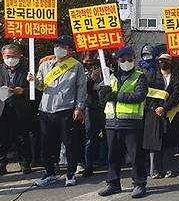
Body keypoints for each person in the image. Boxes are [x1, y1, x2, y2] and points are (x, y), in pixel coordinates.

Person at [29, 35, 86, 188]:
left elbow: (81, 88)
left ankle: (70, 173)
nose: (58, 49)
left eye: (62, 46)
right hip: (46, 109)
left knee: (69, 143)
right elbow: (41, 87)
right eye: (56, 45)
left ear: (69, 49)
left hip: (66, 110)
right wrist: (34, 81)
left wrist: (79, 107)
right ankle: (50, 173)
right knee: (47, 142)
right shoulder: (45, 65)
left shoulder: (76, 66)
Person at [98, 47, 149, 199]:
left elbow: (138, 96)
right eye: (122, 60)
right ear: (117, 61)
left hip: (132, 122)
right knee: (113, 155)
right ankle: (113, 183)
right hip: (112, 122)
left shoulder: (140, 76)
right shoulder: (110, 78)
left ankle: (139, 184)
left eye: (129, 59)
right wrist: (103, 93)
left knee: (135, 156)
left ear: (134, 59)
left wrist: (115, 95)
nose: (126, 62)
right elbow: (102, 101)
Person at [144, 53, 179, 179]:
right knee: (155, 143)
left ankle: (169, 168)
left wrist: (165, 107)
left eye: (165, 61)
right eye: (161, 60)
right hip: (154, 114)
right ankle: (156, 169)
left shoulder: (177, 78)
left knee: (169, 143)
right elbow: (148, 95)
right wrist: (156, 107)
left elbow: (176, 95)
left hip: (170, 113)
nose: (163, 63)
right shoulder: (151, 77)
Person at [0, 44, 32, 175]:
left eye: (14, 56)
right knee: (3, 137)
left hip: (21, 108)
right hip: (3, 107)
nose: (11, 59)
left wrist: (23, 91)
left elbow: (37, 90)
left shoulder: (27, 70)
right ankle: (2, 163)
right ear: (3, 56)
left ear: (20, 56)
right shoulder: (0, 70)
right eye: (8, 56)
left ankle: (25, 163)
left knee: (22, 136)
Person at [79, 51, 105, 177]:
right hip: (90, 106)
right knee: (90, 137)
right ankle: (88, 165)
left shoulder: (104, 68)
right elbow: (82, 88)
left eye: (92, 60)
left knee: (106, 136)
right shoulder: (80, 71)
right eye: (87, 61)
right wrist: (91, 79)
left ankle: (105, 161)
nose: (90, 63)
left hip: (105, 106)